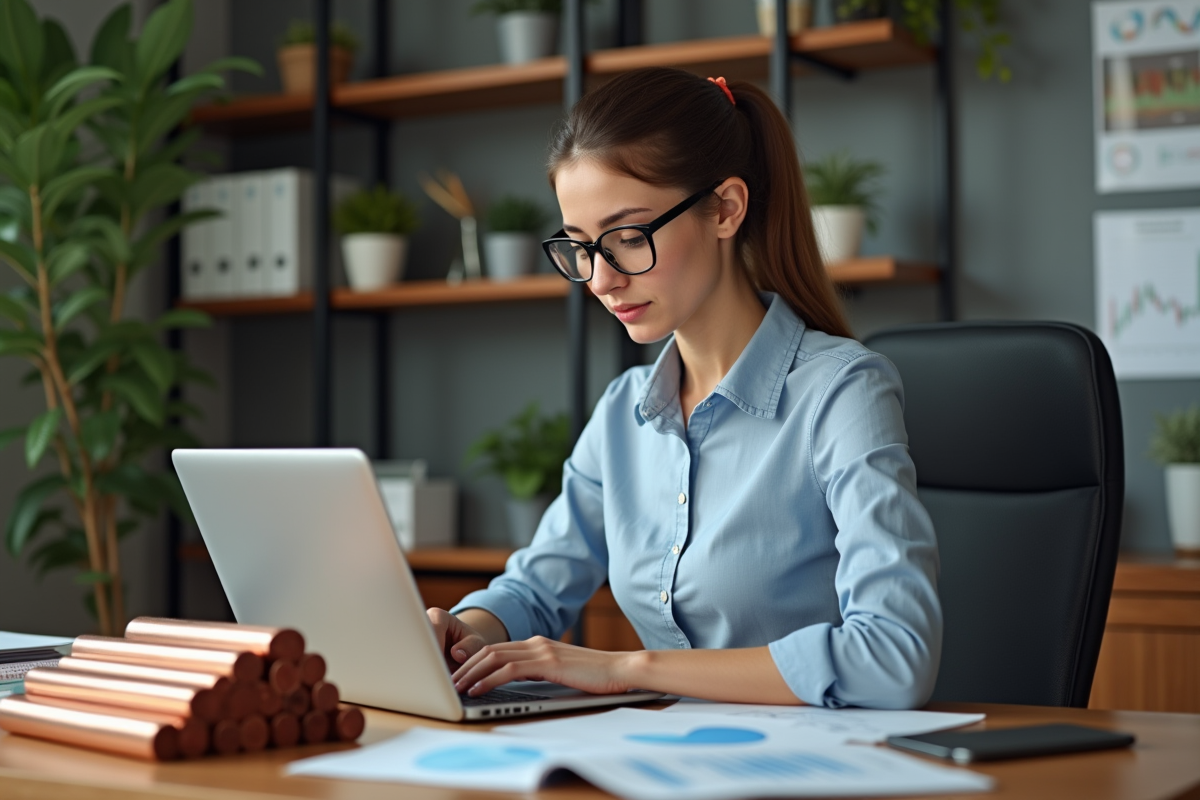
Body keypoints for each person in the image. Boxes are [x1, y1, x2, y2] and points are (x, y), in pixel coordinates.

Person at [426, 67, 941, 710]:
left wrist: (631, 668)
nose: (602, 281)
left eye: (626, 238)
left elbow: (894, 658)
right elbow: (535, 588)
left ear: (725, 209)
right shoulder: (623, 412)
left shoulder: (843, 392)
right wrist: (460, 633)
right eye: (581, 248)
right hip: (667, 757)